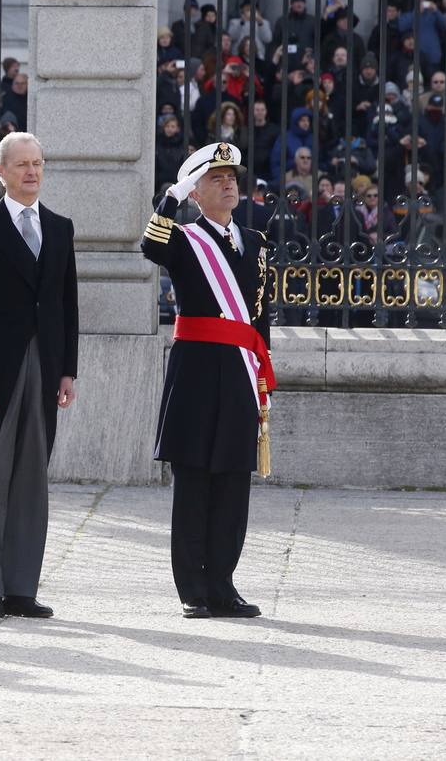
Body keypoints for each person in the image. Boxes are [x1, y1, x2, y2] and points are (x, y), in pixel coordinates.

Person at [142, 142, 275, 620]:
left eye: (232, 177)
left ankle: (223, 584)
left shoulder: (256, 244)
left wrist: (263, 372)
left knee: (233, 482)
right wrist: (170, 199)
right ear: (197, 191)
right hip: (196, 372)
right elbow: (150, 246)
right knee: (195, 480)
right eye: (216, 178)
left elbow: (260, 316)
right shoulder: (184, 238)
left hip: (239, 371)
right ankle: (193, 589)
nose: (228, 184)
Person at [0, 132, 79, 620]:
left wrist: (68, 369)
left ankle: (23, 588)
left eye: (38, 163)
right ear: (0, 170)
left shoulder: (60, 228)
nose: (32, 171)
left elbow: (67, 304)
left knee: (32, 475)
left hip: (45, 365)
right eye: (22, 164)